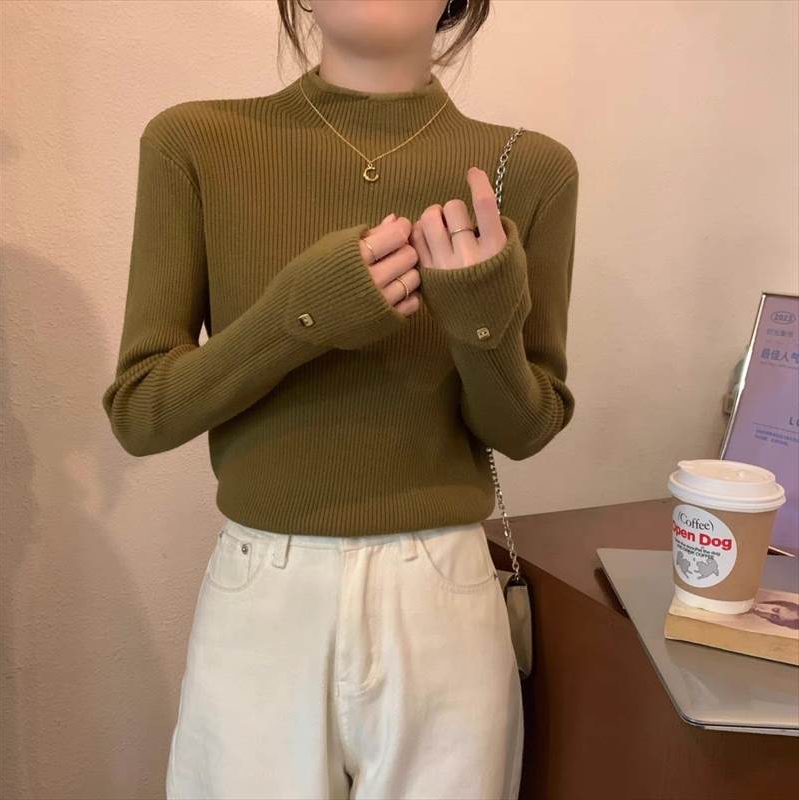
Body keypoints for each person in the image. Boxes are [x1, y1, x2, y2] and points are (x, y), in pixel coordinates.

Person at [100, 0, 579, 797]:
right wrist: (301, 315)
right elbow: (142, 411)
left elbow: (525, 429)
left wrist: (481, 323)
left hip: (446, 601)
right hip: (264, 601)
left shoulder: (528, 168)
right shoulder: (195, 143)